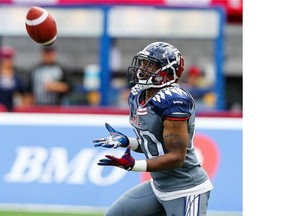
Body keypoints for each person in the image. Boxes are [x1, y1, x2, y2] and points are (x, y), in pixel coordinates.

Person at [93, 42, 213, 216]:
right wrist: (128, 142)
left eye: (150, 64)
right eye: (142, 63)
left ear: (167, 72)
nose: (142, 68)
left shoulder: (173, 101)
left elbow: (176, 157)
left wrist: (133, 165)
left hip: (186, 189)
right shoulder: (137, 95)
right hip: (159, 187)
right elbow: (154, 145)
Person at [0, 46, 25, 111]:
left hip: (11, 112)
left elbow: (23, 96)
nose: (7, 61)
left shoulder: (17, 78)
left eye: (9, 58)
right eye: (5, 58)